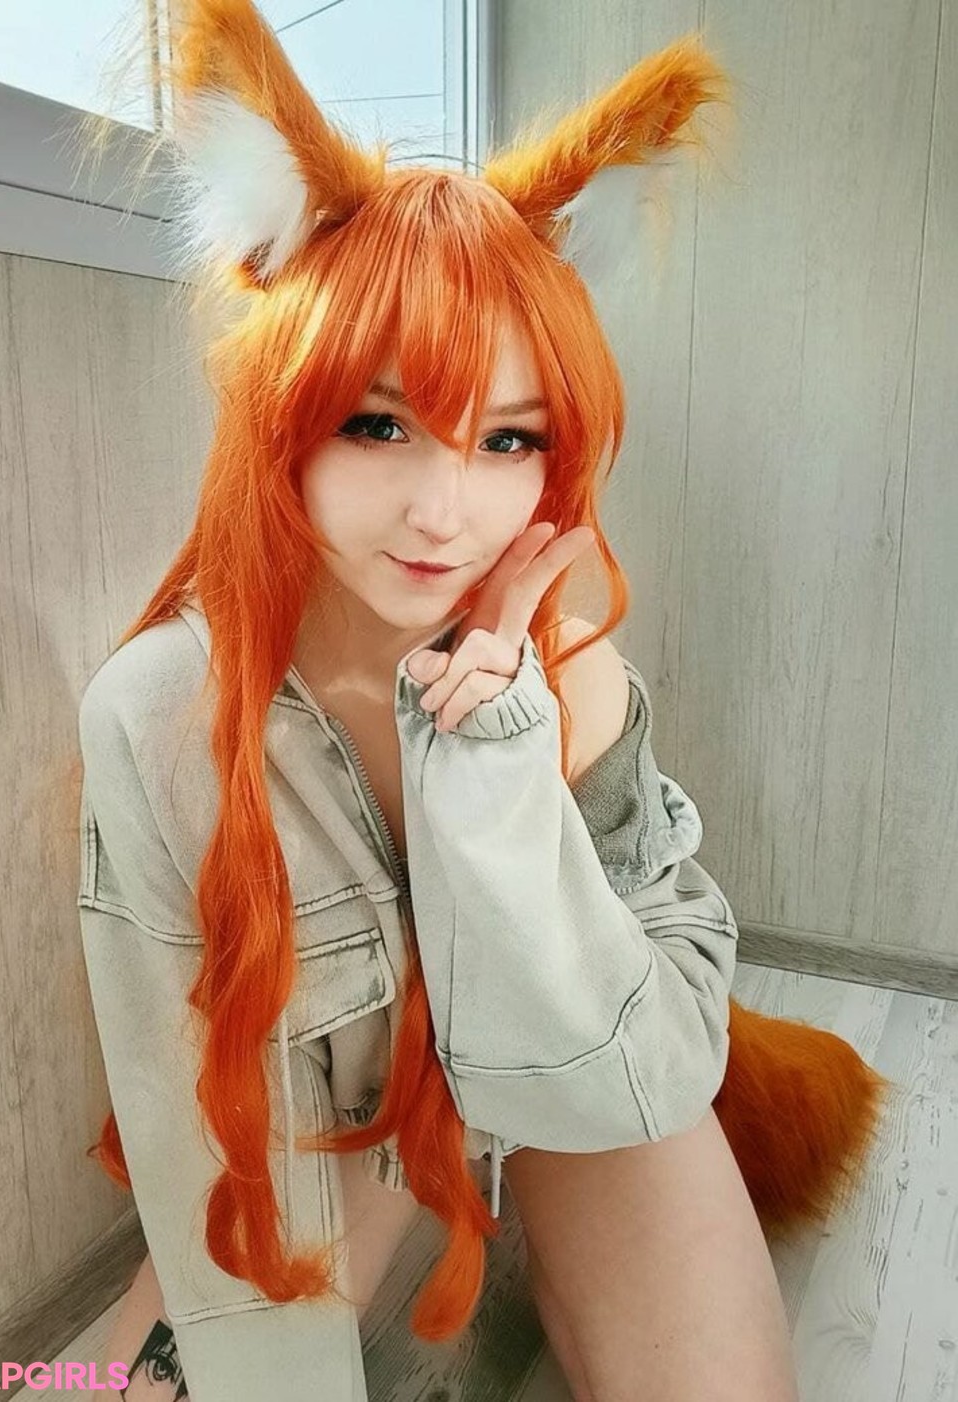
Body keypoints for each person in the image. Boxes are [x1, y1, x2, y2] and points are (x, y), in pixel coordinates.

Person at [75, 3, 887, 1397]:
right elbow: (188, 1110)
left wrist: (499, 754)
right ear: (284, 413)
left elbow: (642, 1055)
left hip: (576, 1078)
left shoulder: (573, 674)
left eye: (510, 440)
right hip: (348, 1130)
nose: (445, 510)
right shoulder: (161, 716)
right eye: (377, 422)